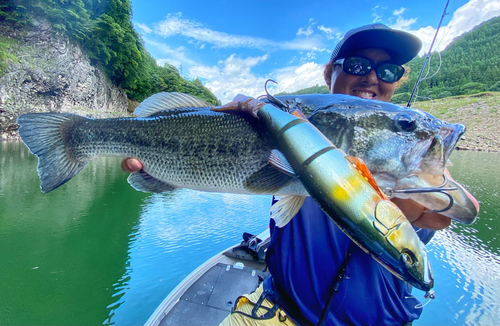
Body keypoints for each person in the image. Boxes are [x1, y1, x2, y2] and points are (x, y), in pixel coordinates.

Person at [122, 24, 478, 325]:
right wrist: (168, 160)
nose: (372, 77)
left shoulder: (415, 158)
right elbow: (230, 158)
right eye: (357, 64)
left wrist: (422, 202)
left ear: (399, 80)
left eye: (388, 71)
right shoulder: (286, 122)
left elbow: (457, 209)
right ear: (329, 73)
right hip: (274, 313)